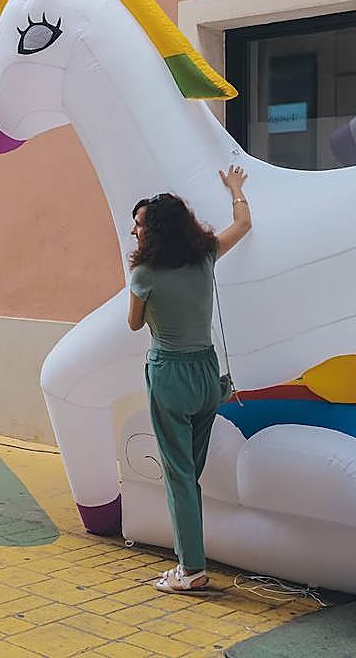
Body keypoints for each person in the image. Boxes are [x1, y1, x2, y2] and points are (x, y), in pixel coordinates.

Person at [126, 165, 251, 593]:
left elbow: (133, 324)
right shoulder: (206, 255)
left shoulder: (144, 275)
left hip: (170, 375)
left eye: (139, 226)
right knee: (188, 473)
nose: (134, 232)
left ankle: (192, 570)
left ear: (156, 232)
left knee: (178, 476)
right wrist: (235, 188)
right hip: (206, 374)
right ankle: (189, 561)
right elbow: (244, 224)